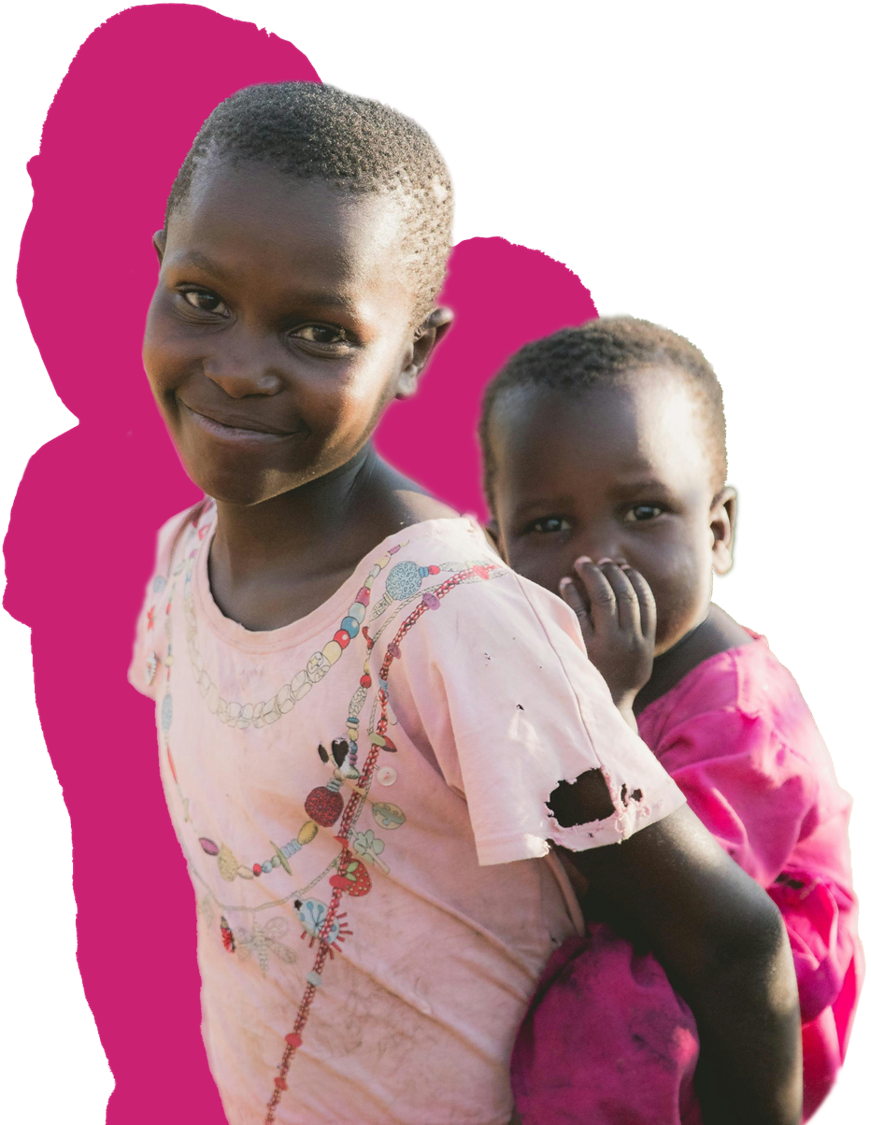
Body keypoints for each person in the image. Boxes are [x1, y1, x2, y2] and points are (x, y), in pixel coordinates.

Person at [128, 82, 802, 1125]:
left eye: (318, 332)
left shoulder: (454, 621)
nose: (243, 369)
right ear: (161, 259)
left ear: (416, 353)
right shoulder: (187, 556)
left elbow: (733, 944)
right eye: (204, 299)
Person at [478, 314, 863, 1124]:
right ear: (497, 552)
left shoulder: (743, 715)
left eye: (644, 510)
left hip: (733, 992)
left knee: (594, 1026)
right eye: (548, 526)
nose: (597, 557)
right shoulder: (525, 655)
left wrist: (604, 712)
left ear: (717, 532)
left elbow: (682, 906)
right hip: (625, 911)